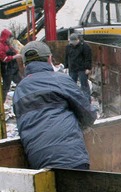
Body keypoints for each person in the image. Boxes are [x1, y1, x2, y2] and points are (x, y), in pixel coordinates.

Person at [13, 41, 97, 170]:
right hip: (71, 158)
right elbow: (87, 114)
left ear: (24, 64)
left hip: (38, 163)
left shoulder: (19, 90)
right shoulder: (60, 80)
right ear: (49, 58)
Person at [65, 33, 92, 97]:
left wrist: (88, 68)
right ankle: (73, 99)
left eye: (73, 42)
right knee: (72, 84)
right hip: (72, 68)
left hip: (82, 69)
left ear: (78, 40)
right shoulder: (68, 47)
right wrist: (66, 66)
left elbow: (88, 57)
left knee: (84, 85)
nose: (72, 43)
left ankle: (87, 100)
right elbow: (66, 57)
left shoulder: (85, 46)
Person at [0, 29, 22, 102]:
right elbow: (4, 58)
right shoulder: (1, 45)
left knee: (21, 83)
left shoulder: (7, 45)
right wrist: (15, 57)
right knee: (6, 87)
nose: (9, 39)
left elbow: (15, 51)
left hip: (14, 69)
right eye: (9, 38)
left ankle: (21, 99)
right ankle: (1, 103)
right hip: (7, 70)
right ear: (5, 37)